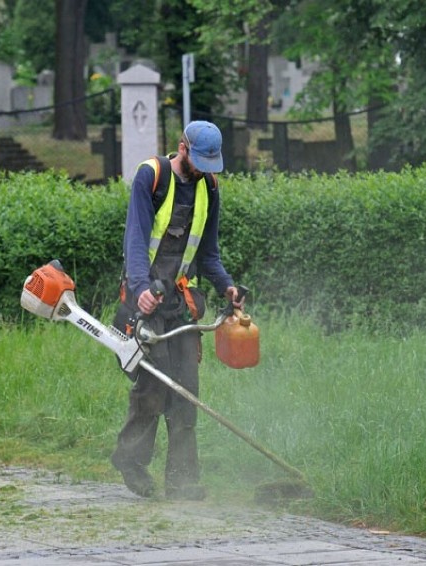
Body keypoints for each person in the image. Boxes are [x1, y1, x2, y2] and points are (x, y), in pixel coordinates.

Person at [111, 120, 241, 501]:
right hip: (146, 297)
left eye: (209, 164)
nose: (202, 170)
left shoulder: (209, 188)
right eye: (198, 161)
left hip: (181, 301)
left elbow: (209, 253)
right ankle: (130, 460)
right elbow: (135, 240)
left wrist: (226, 285)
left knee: (185, 390)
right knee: (154, 385)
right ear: (182, 148)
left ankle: (183, 480)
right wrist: (139, 291)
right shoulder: (151, 177)